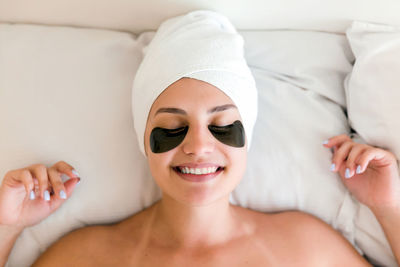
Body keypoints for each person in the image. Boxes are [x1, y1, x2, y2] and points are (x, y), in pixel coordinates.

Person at [1, 10, 400, 267]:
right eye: (173, 127)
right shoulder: (86, 256)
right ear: (143, 138)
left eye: (222, 124)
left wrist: (389, 208)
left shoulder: (306, 249)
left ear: (248, 137)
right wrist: (6, 226)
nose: (197, 146)